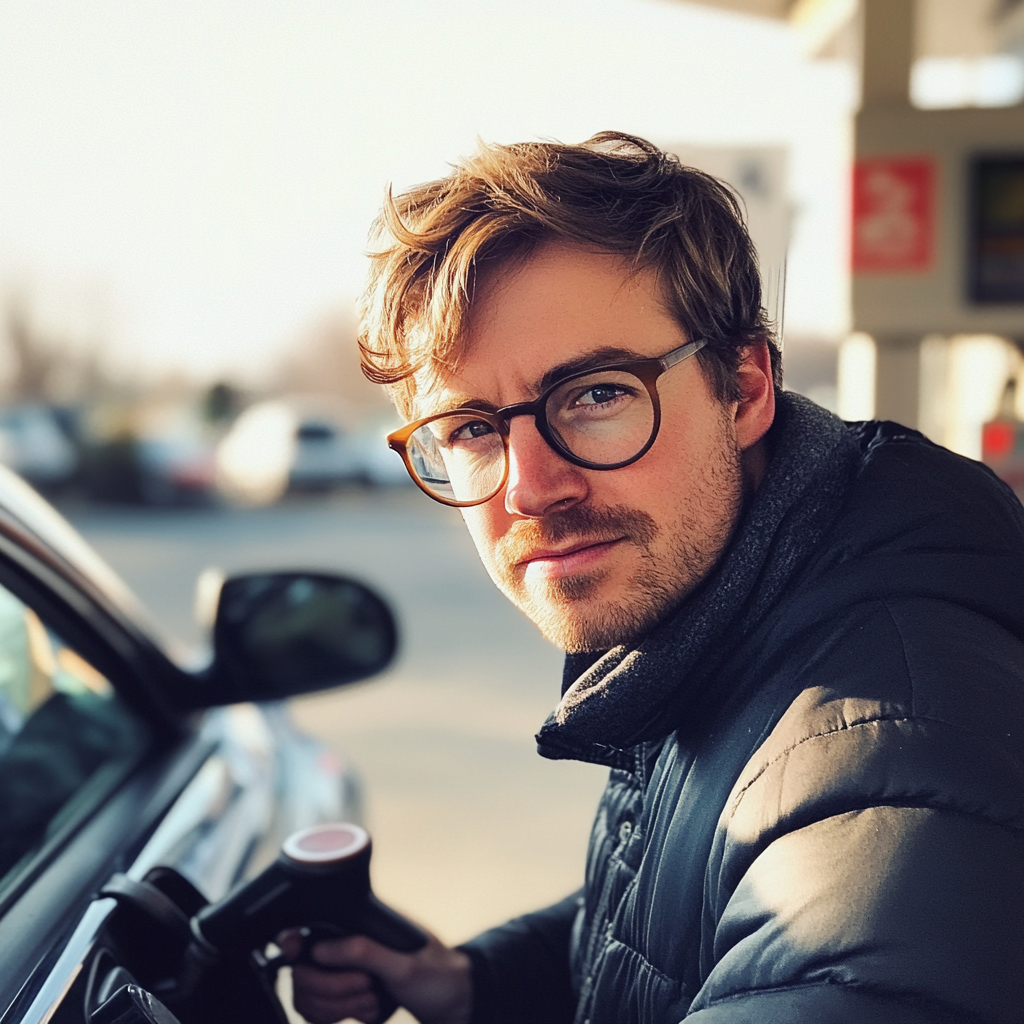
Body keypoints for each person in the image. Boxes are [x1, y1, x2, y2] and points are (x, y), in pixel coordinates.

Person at [287, 132, 1024, 1024]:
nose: (530, 488)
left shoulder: (882, 763)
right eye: (473, 430)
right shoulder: (736, 618)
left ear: (745, 386)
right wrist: (480, 987)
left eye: (596, 394)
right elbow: (688, 921)